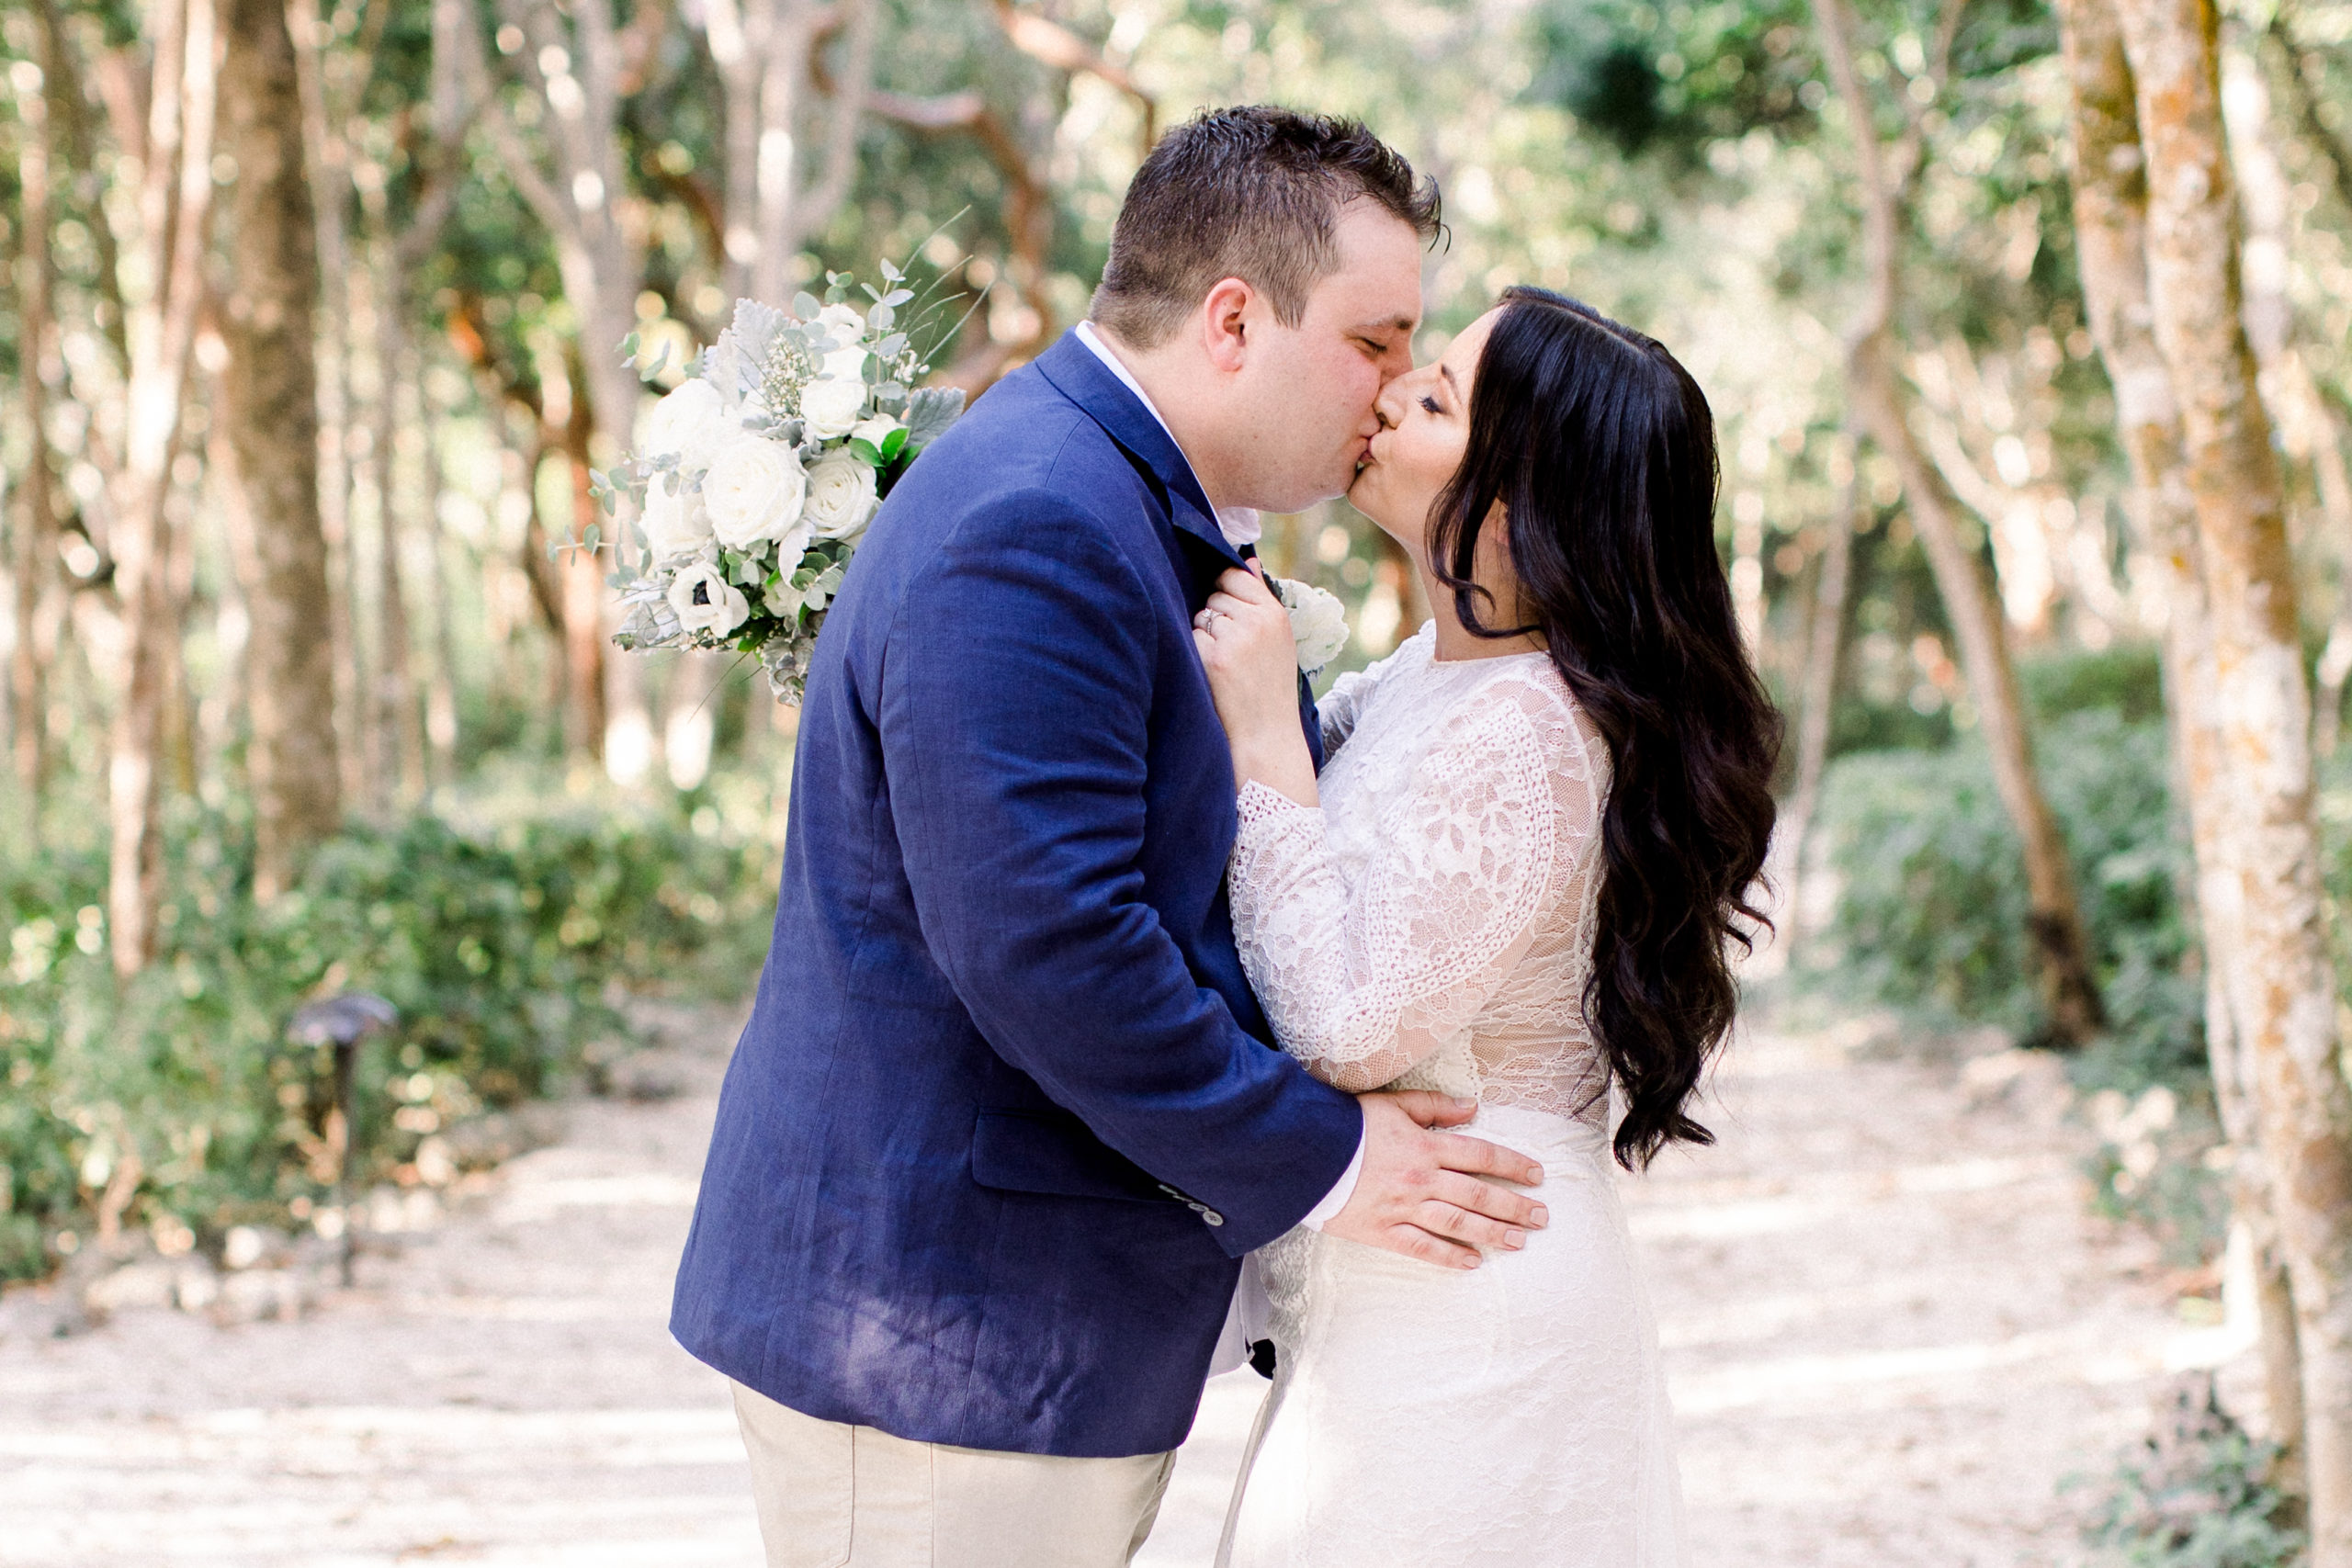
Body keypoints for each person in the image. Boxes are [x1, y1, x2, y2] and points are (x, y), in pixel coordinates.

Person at [669, 107, 1553, 1568]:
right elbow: (1051, 948)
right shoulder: (1037, 523)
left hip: (1011, 1325)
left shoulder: (1113, 497)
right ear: (1230, 321)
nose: (1394, 393)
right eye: (1378, 341)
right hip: (943, 1335)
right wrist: (1331, 1159)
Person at [1192, 288, 1781, 1566]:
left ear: (1521, 508)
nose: (1393, 392)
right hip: (1405, 1295)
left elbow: (1349, 1022)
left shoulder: (1533, 729)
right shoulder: (1434, 675)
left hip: (1472, 1296)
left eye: (1441, 395)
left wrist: (1257, 740)